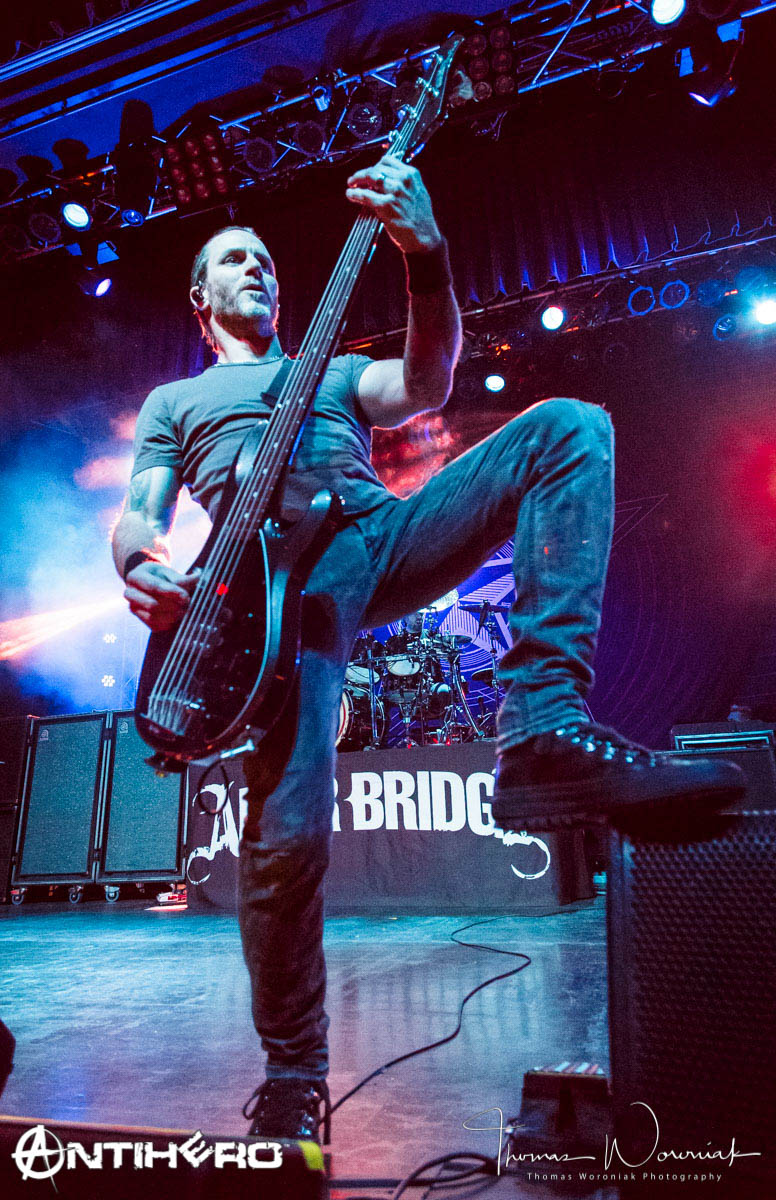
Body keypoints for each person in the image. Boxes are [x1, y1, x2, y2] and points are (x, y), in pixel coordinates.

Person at [112, 154, 743, 1142]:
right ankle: (293, 1074)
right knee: (285, 840)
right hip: (279, 599)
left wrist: (426, 254)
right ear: (200, 300)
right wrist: (140, 563)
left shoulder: (325, 373)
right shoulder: (173, 404)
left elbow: (425, 381)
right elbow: (140, 515)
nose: (258, 268)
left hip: (376, 533)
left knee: (567, 429)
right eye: (235, 259)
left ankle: (539, 725)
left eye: (266, 258)